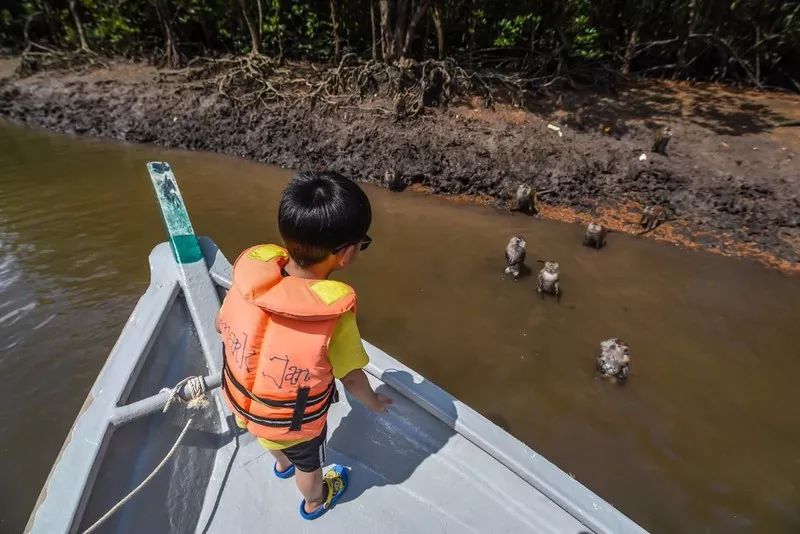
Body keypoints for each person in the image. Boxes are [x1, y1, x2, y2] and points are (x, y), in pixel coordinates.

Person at [216, 170, 392, 520]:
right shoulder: (333, 317)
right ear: (344, 254)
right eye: (362, 243)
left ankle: (281, 465)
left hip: (244, 407)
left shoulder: (248, 284)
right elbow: (353, 378)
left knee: (272, 442)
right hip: (294, 426)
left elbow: (221, 324)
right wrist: (373, 403)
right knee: (309, 468)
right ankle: (316, 501)